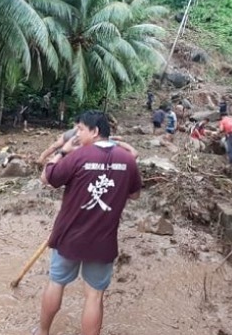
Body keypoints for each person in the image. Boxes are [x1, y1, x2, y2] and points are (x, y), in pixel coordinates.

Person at [36, 111, 141, 335]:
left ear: (94, 131)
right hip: (103, 240)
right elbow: (134, 195)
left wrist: (62, 152)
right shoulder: (127, 160)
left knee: (56, 283)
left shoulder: (78, 155)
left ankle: (43, 332)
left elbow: (46, 178)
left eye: (81, 129)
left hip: (69, 237)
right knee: (94, 296)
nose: (77, 134)